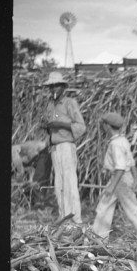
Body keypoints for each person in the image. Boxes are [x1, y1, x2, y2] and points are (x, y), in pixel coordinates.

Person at [91, 112, 137, 241]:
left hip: (119, 179)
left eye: (104, 125)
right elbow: (131, 162)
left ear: (107, 126)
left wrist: (112, 186)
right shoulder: (123, 140)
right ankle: (99, 236)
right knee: (104, 207)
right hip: (123, 178)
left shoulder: (115, 144)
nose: (103, 127)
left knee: (130, 210)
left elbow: (121, 167)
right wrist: (135, 179)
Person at [41, 71, 86, 224]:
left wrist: (60, 124)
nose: (53, 89)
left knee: (70, 183)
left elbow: (81, 127)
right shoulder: (50, 105)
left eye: (56, 86)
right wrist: (48, 127)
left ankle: (76, 220)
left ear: (63, 87)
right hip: (55, 148)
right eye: (51, 86)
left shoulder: (69, 103)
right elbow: (49, 125)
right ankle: (64, 219)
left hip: (67, 146)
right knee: (59, 184)